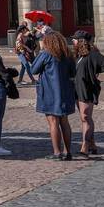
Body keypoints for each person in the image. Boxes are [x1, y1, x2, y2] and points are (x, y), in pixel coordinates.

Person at [30, 31, 77, 160]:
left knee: (53, 122)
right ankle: (68, 152)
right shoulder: (67, 54)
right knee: (64, 121)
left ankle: (57, 152)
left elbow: (33, 70)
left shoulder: (46, 54)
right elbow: (73, 72)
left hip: (50, 92)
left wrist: (40, 52)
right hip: (65, 91)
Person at [73, 33, 104, 157]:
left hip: (87, 89)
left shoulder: (92, 55)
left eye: (75, 39)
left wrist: (95, 72)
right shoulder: (77, 55)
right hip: (77, 89)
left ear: (81, 41)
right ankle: (92, 144)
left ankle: (85, 146)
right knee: (83, 118)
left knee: (85, 117)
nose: (73, 42)